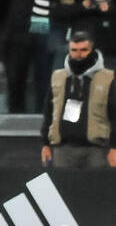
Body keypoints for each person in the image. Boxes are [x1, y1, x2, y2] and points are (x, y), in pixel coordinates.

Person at [40, 31, 116, 168]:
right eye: (74, 50)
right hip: (63, 149)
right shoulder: (58, 77)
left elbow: (115, 115)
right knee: (63, 188)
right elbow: (48, 113)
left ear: (92, 50)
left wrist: (114, 147)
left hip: (97, 149)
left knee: (97, 189)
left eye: (84, 50)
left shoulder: (108, 78)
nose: (79, 54)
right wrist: (45, 144)